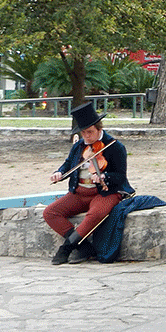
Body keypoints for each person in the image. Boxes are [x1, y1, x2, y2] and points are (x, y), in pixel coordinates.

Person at [44, 102, 135, 265]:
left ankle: (67, 248)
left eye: (90, 132)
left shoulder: (115, 147)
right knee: (50, 212)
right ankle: (84, 247)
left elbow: (120, 177)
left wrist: (104, 176)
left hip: (105, 192)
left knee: (95, 214)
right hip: (79, 192)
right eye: (83, 132)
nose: (86, 136)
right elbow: (68, 164)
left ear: (99, 129)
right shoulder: (79, 146)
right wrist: (59, 173)